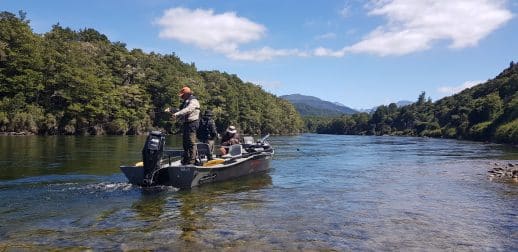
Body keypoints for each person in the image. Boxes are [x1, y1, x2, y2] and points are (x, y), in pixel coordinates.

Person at [165, 86, 200, 165]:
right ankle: (186, 159)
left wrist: (177, 114)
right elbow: (180, 110)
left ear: (187, 94)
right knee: (185, 143)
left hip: (192, 123)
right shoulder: (186, 101)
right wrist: (171, 110)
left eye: (183, 95)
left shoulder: (193, 100)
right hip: (186, 124)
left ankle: (192, 161)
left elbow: (188, 109)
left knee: (191, 142)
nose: (182, 97)